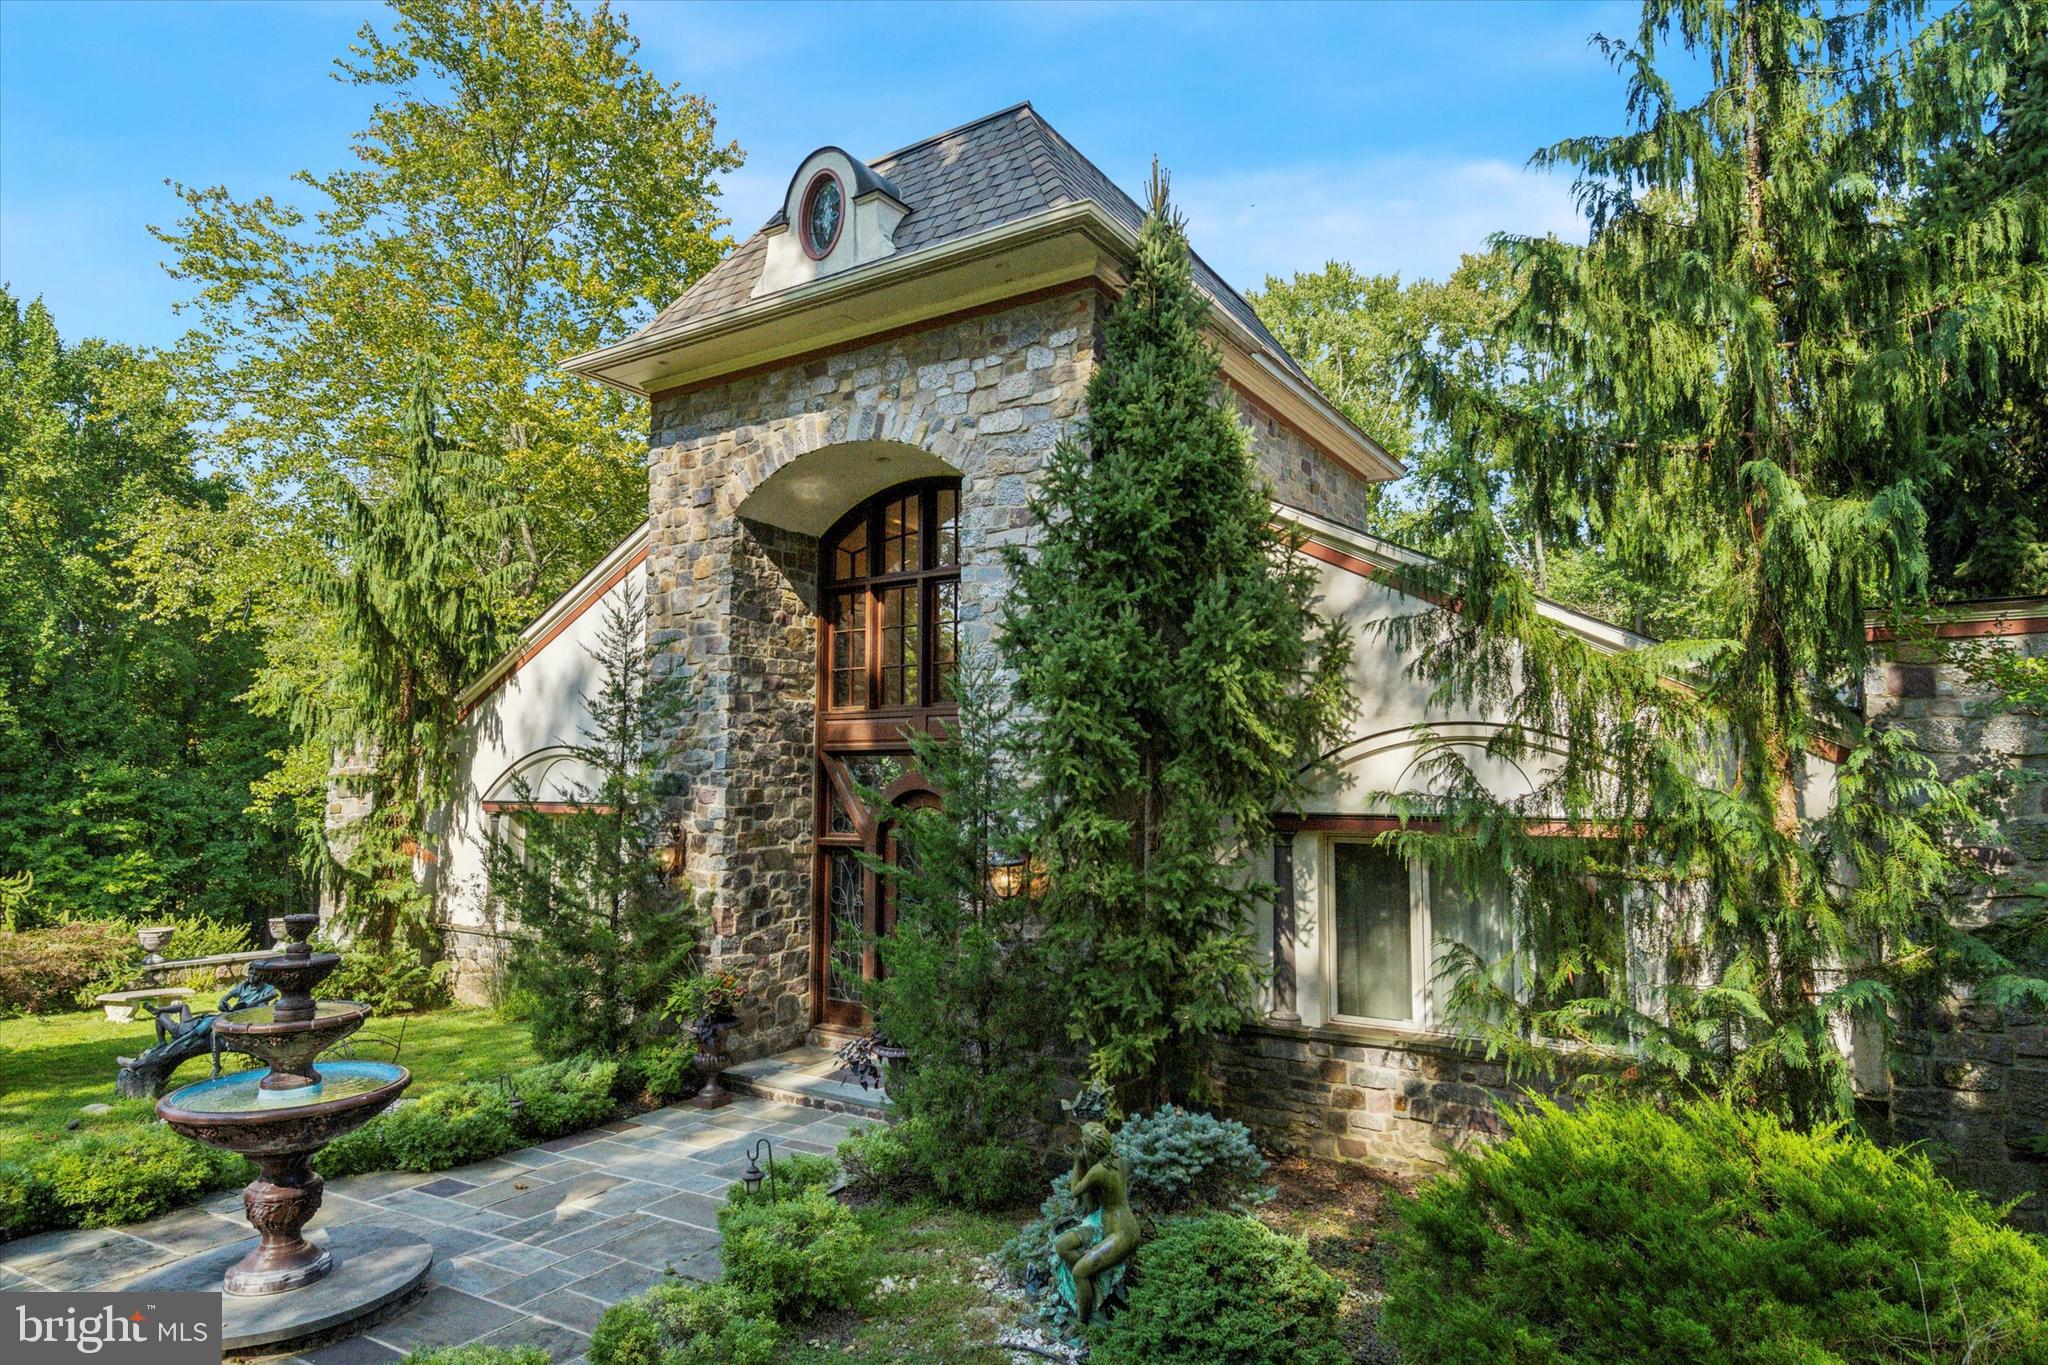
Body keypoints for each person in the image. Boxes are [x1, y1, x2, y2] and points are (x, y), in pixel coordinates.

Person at [1053, 1120, 1140, 1323]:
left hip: (1123, 1233)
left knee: (1079, 1272)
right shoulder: (1116, 1158)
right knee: (1061, 1245)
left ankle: (1083, 1323)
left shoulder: (1099, 1171)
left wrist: (1078, 1161)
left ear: (1089, 1147)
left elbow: (1075, 1191)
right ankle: (1092, 1274)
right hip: (1106, 1222)